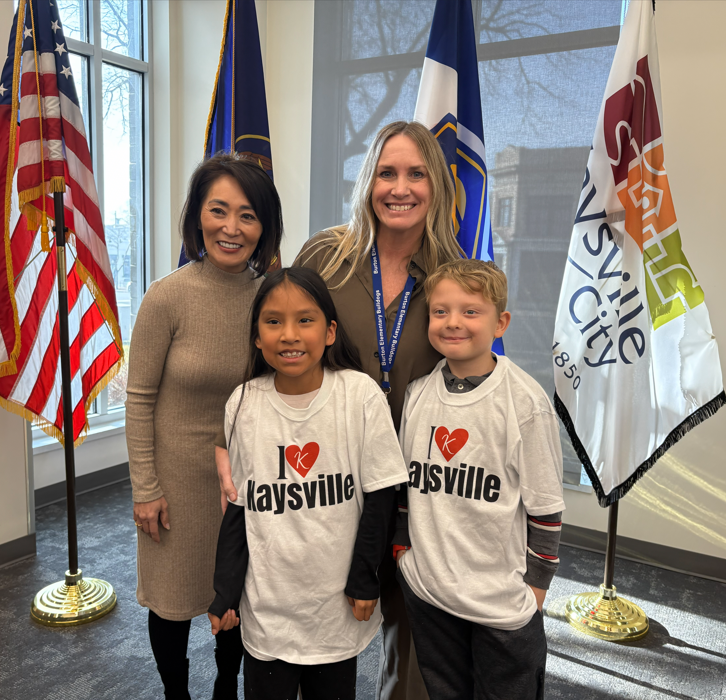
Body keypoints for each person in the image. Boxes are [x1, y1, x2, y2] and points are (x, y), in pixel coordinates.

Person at [217, 120, 461, 700]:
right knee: (325, 620)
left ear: (436, 185)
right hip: (326, 484)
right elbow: (277, 335)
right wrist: (229, 441)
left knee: (413, 638)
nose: (399, 188)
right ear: (367, 182)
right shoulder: (328, 254)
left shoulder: (451, 273)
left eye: (416, 174)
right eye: (386, 172)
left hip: (424, 478)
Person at [208, 267, 408, 700]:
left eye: (306, 320)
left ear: (330, 331)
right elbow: (240, 510)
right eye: (273, 321)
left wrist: (364, 580)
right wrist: (225, 590)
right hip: (268, 610)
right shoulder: (242, 403)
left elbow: (380, 498)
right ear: (257, 337)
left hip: (333, 609)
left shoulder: (359, 396)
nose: (289, 335)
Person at [126, 152, 283, 699]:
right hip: (173, 487)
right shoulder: (166, 297)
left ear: (264, 226)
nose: (231, 228)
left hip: (245, 481)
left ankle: (224, 684)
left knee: (237, 600)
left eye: (248, 215)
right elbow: (139, 398)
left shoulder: (271, 298)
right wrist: (145, 488)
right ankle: (176, 694)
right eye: (219, 211)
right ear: (198, 217)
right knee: (171, 607)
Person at [395, 259, 565, 700]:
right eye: (440, 311)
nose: (453, 322)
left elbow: (546, 507)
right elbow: (404, 490)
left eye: (471, 311)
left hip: (501, 603)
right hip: (430, 591)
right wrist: (402, 555)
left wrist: (535, 591)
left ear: (500, 322)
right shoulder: (417, 394)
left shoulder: (525, 403)